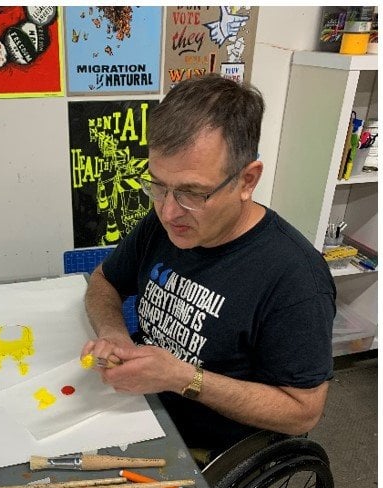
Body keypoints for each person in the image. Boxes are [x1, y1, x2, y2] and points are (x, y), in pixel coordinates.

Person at [81, 75, 335, 455]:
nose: (168, 211)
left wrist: (183, 378)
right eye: (158, 185)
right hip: (144, 410)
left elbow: (302, 413)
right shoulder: (167, 223)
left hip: (215, 450)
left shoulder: (296, 279)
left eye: (193, 193)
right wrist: (115, 332)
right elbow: (104, 281)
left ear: (247, 180)